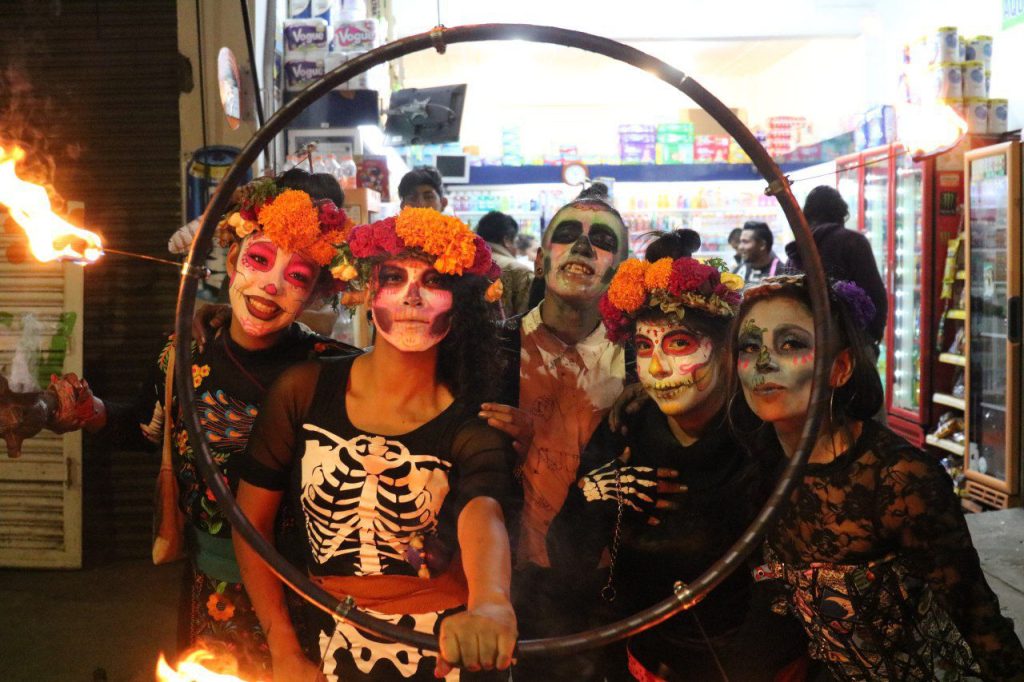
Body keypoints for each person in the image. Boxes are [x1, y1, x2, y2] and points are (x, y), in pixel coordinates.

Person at [58, 170, 361, 679]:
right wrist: (91, 414)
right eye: (260, 261)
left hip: (310, 591)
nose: (270, 285)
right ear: (234, 259)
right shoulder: (184, 356)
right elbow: (147, 433)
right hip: (211, 588)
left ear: (315, 292)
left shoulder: (333, 369)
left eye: (297, 276)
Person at [234, 206, 517, 681]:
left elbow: (482, 511)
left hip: (446, 647)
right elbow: (250, 524)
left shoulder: (471, 422)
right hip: (320, 637)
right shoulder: (303, 390)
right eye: (393, 277)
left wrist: (491, 603)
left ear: (459, 304)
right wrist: (283, 649)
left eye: (433, 281)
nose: (411, 297)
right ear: (367, 292)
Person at [733, 274, 1024, 681]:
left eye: (791, 344)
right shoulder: (759, 460)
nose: (763, 364)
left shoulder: (899, 479)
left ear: (841, 367)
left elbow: (978, 619)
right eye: (749, 347)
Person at [784, 185, 887, 346]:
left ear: (807, 214)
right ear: (841, 212)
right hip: (848, 341)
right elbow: (875, 294)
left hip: (804, 341)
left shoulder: (798, 247)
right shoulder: (853, 242)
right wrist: (872, 337)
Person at [476, 210, 534, 317]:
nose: (516, 248)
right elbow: (527, 320)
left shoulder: (462, 263)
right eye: (515, 240)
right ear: (507, 240)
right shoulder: (519, 271)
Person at [734, 220, 782, 284]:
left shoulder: (781, 275)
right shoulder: (739, 271)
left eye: (745, 242)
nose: (740, 247)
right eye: (740, 242)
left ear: (762, 245)